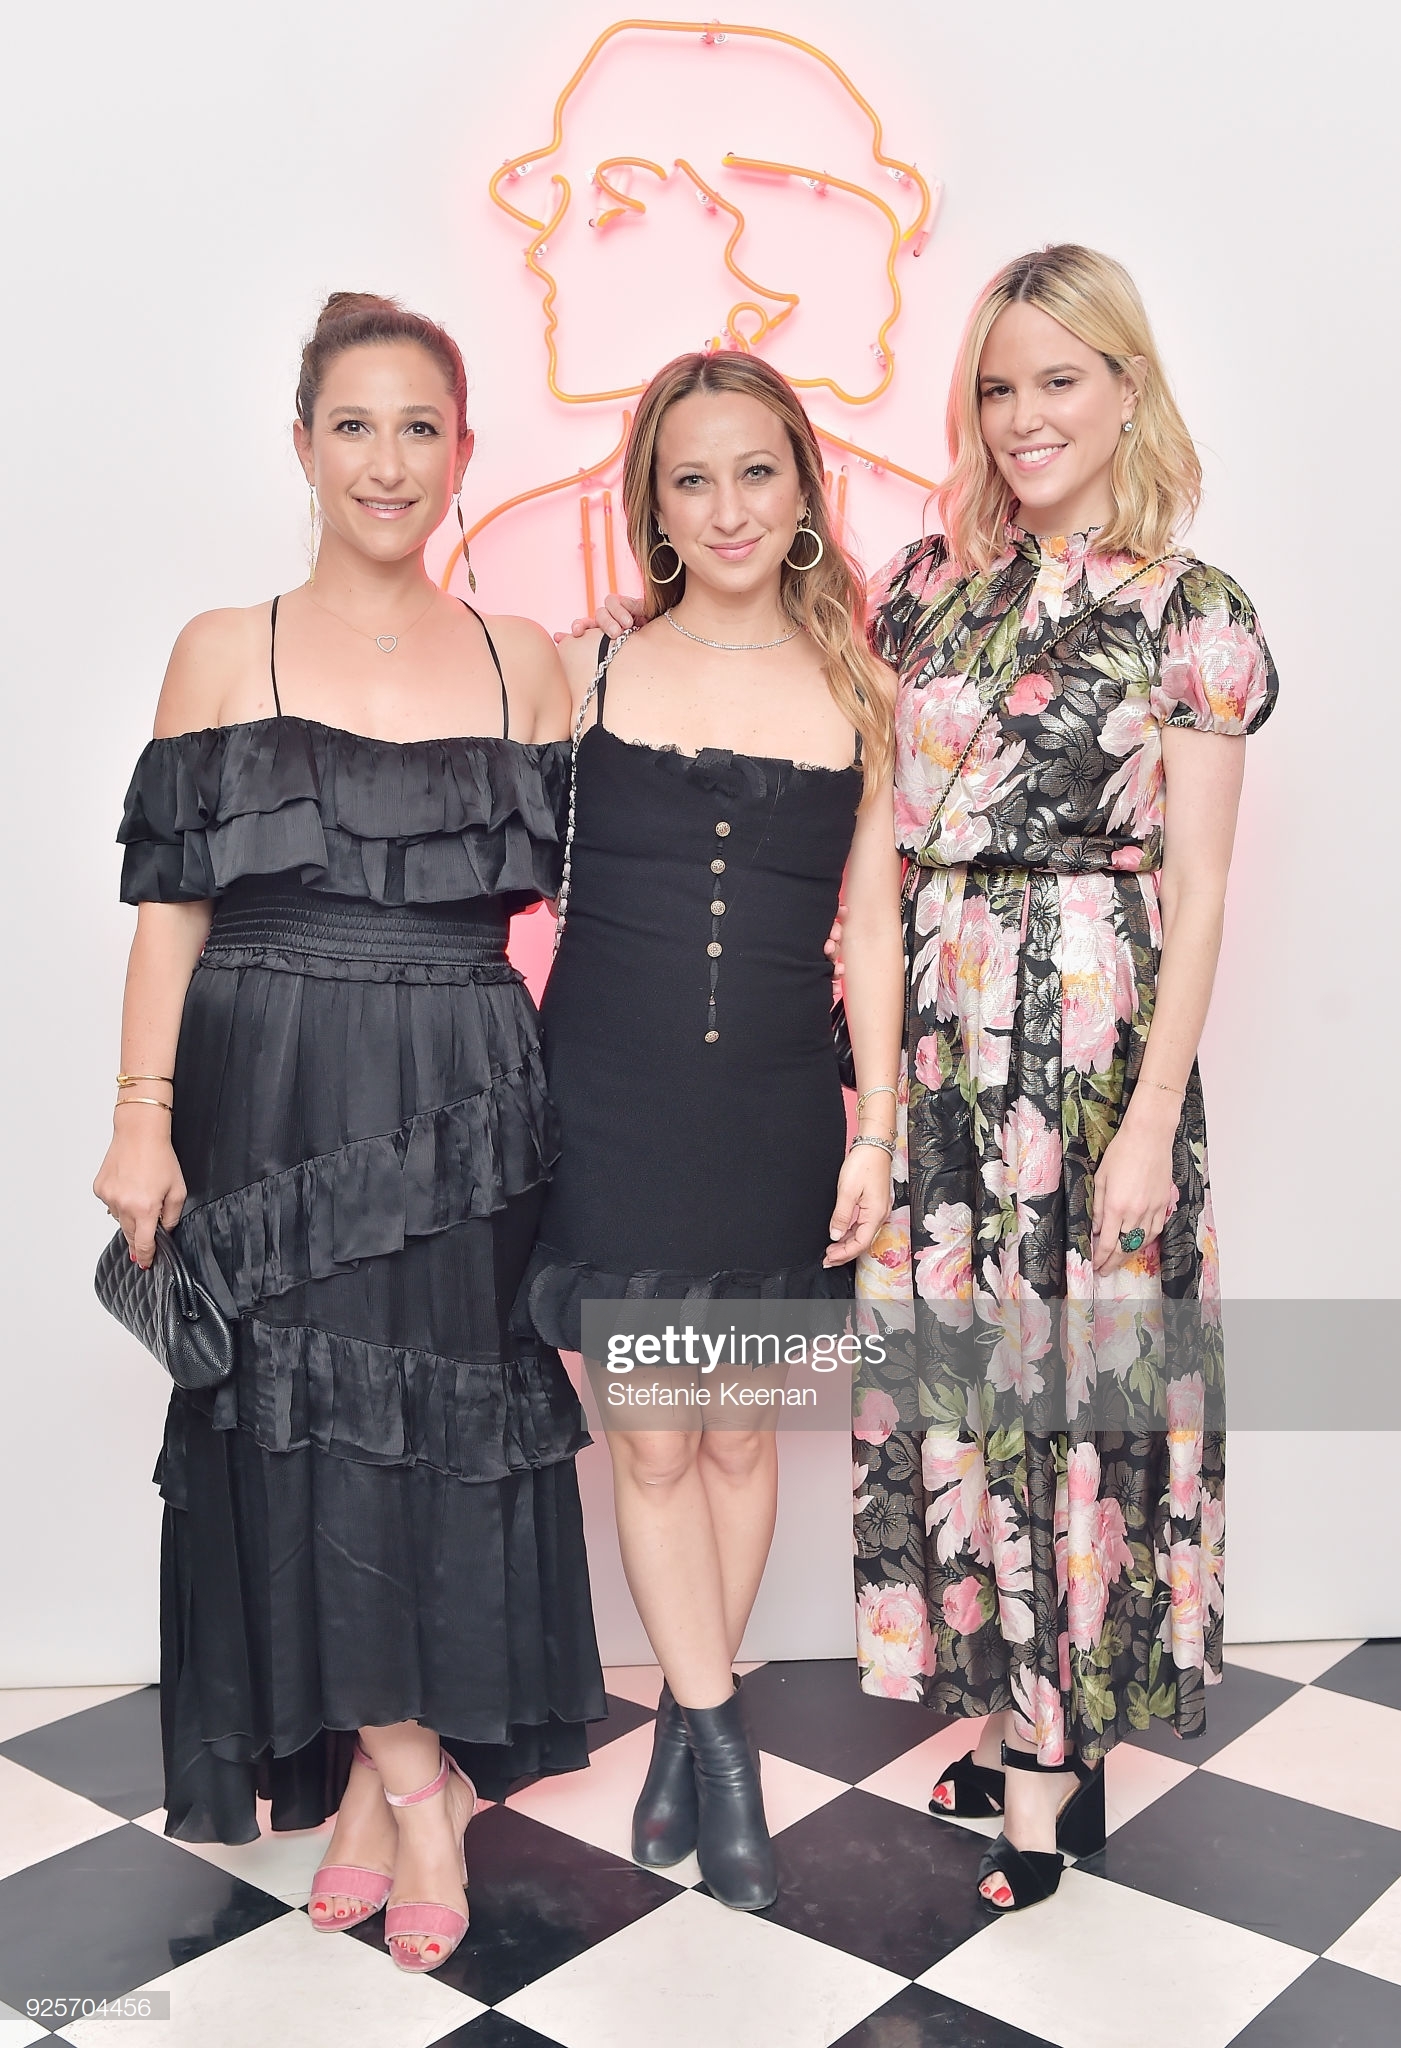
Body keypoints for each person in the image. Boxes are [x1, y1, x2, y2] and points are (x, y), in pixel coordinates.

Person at [93, 292, 605, 1974]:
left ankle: (390, 1797)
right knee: (296, 1434)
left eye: (420, 429)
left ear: (464, 452)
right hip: (268, 1091)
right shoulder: (220, 648)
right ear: (303, 446)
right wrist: (141, 1119)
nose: (388, 463)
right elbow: (169, 912)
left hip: (465, 1101)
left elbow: (599, 919)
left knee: (435, 1435)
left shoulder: (525, 662)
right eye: (355, 427)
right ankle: (414, 1778)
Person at [850, 244, 1277, 1913]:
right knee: (970, 1381)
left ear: (1124, 389)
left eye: (1058, 379)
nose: (1023, 416)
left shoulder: (1192, 611)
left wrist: (1152, 1117)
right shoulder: (921, 587)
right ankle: (1016, 1710)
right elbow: (876, 833)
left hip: (1092, 1046)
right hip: (940, 1028)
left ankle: (1046, 1775)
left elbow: (1204, 886)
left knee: (1074, 1388)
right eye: (997, 385)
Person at [529, 350, 904, 1910]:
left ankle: (690, 1727)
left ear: (802, 486)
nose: (728, 506)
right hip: (607, 1106)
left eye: (756, 471)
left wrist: (874, 1132)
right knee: (654, 1438)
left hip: (772, 1115)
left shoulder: (860, 688)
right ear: (654, 505)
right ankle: (725, 1746)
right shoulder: (585, 674)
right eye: (692, 478)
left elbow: (869, 928)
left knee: (739, 1432)